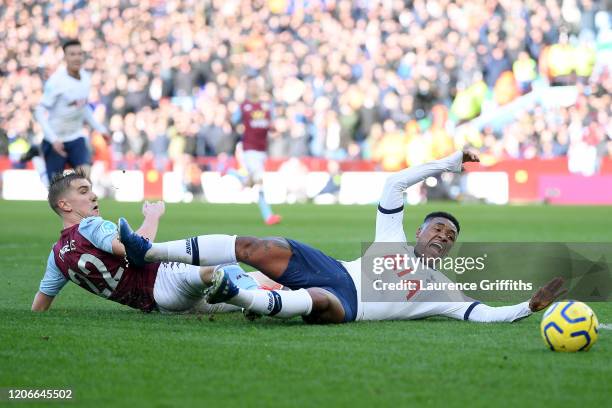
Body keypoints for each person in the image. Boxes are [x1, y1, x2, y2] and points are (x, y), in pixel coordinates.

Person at [119, 150, 567, 324]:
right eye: (438, 228)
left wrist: (527, 307)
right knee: (257, 247)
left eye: (450, 235)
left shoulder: (443, 290)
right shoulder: (391, 238)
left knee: (314, 300)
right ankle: (150, 249)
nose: (444, 236)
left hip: (350, 306)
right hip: (336, 269)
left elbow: (484, 315)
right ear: (421, 230)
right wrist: (448, 163)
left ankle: (233, 294)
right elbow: (393, 185)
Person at [31, 169, 280, 313]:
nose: (94, 194)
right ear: (64, 205)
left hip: (161, 307)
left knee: (252, 286)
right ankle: (237, 286)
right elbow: (136, 251)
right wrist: (152, 217)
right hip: (163, 278)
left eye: (91, 189)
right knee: (217, 269)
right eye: (83, 191)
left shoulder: (57, 256)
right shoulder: (90, 225)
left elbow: (40, 304)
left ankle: (279, 295)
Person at [34, 39, 110, 183]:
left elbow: (82, 108)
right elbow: (39, 111)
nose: (77, 57)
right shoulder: (56, 81)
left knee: (85, 178)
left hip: (76, 138)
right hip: (55, 141)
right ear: (65, 57)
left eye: (79, 54)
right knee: (56, 189)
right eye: (72, 54)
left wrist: (100, 129)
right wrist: (53, 139)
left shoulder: (86, 79)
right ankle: (39, 161)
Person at [234, 76, 281, 225]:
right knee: (260, 180)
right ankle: (268, 216)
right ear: (248, 88)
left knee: (252, 181)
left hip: (262, 149)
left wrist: (274, 128)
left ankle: (234, 176)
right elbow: (234, 120)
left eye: (256, 86)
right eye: (252, 86)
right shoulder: (244, 107)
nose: (254, 88)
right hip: (249, 148)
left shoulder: (267, 107)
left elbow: (272, 125)